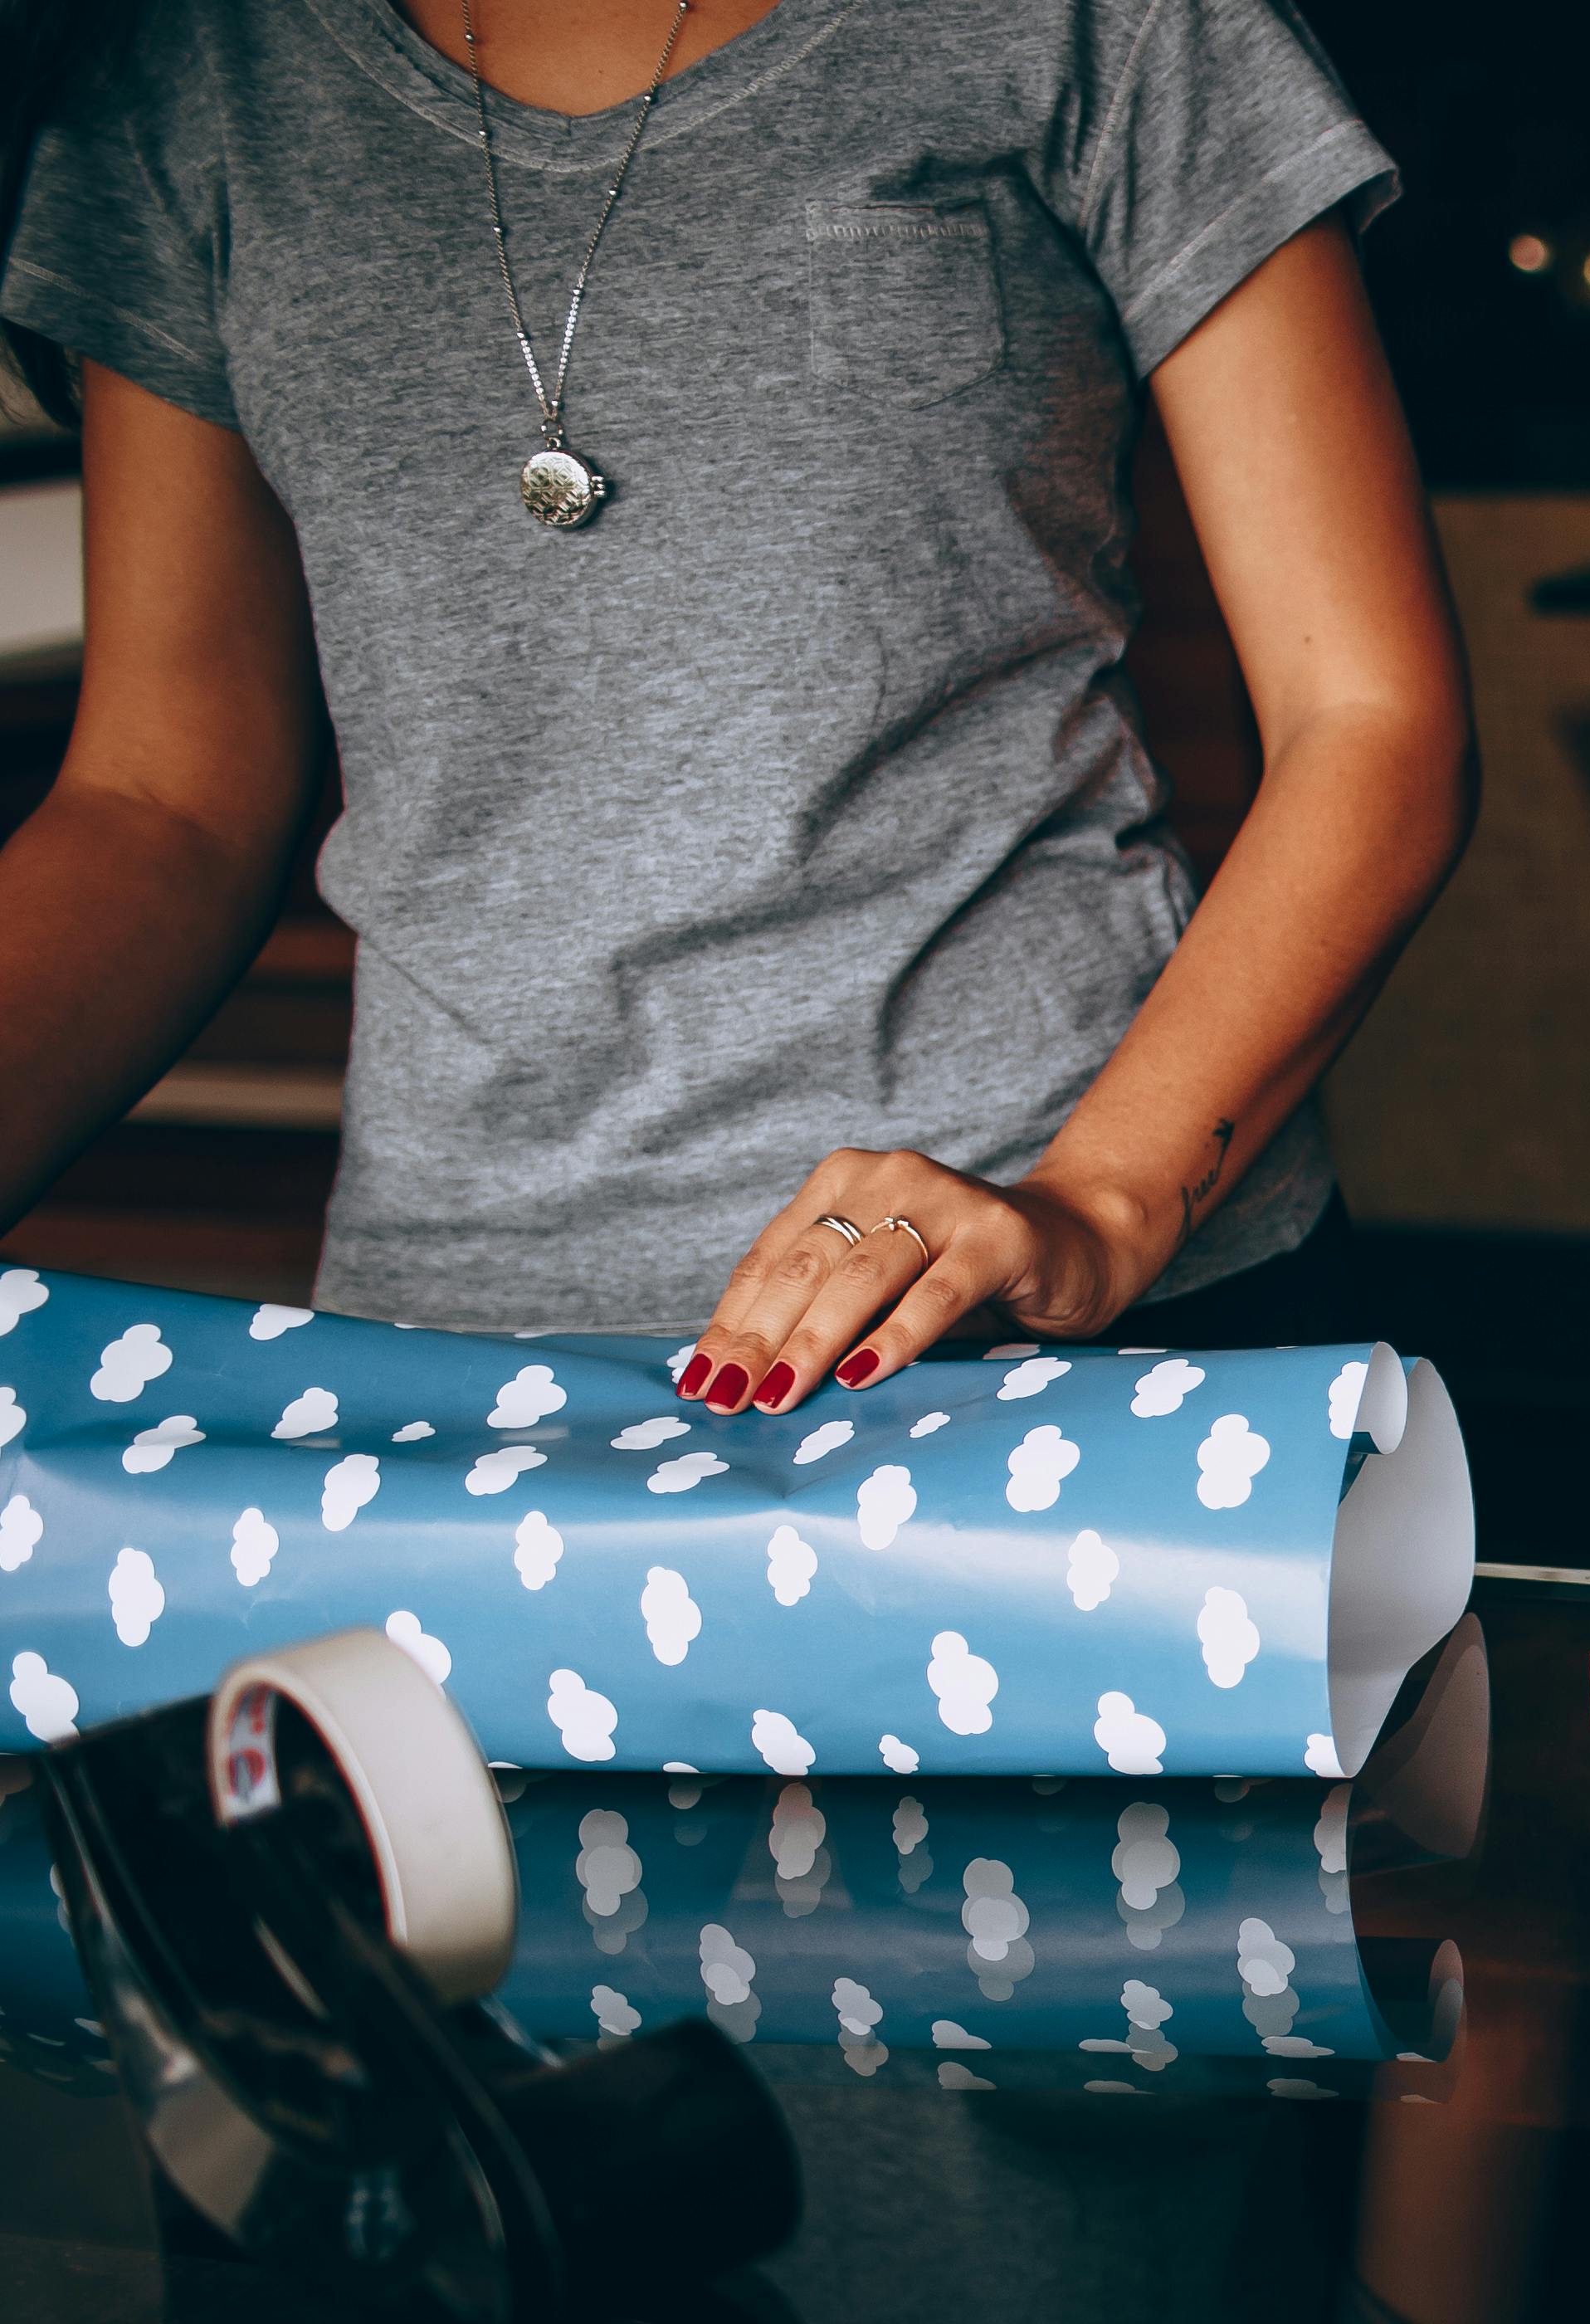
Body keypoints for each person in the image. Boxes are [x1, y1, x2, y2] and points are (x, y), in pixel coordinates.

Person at [0, 0, 1472, 1401]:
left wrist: (1097, 1202)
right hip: (452, 1352)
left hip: (1052, 1308)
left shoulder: (1095, 25)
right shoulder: (188, 71)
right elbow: (161, 800)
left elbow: (1369, 717)